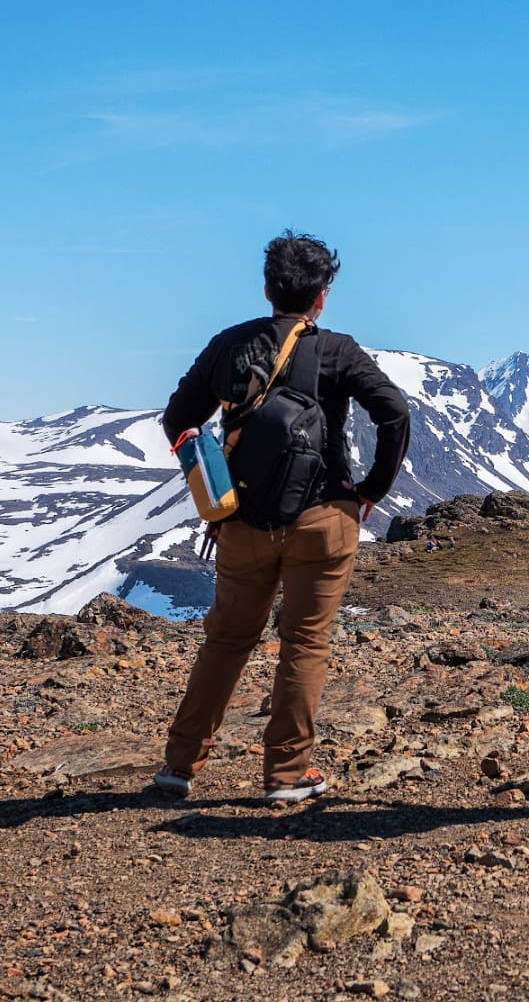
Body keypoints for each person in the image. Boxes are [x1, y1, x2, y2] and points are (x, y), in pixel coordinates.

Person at [153, 231, 410, 803]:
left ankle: (179, 765)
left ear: (267, 288)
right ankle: (286, 774)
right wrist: (371, 490)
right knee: (305, 642)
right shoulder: (338, 350)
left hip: (241, 521)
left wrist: (213, 487)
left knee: (225, 641)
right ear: (322, 296)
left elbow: (178, 420)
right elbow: (394, 412)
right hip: (323, 519)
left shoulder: (229, 345)